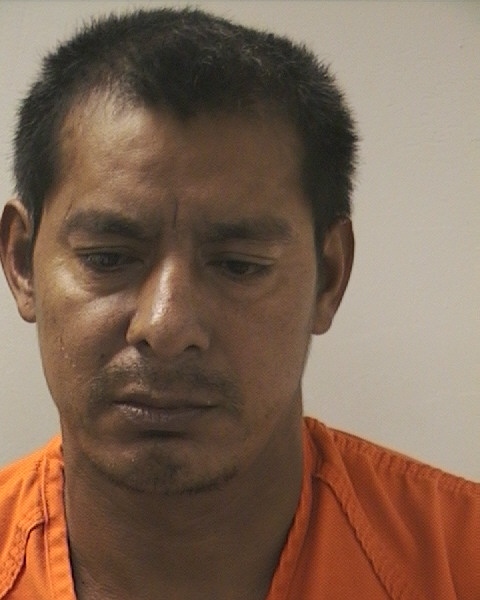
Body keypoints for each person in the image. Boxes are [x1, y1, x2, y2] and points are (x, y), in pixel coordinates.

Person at [0, 7, 477, 600]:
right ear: (22, 263)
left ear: (329, 277)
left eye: (238, 266)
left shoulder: (461, 564)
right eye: (108, 258)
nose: (166, 326)